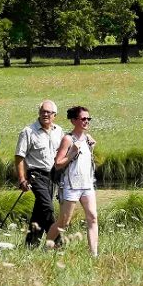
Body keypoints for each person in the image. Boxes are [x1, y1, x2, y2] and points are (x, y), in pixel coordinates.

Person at [45, 106, 98, 256]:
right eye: (83, 119)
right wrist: (72, 153)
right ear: (74, 121)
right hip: (71, 186)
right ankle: (47, 247)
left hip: (87, 185)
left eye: (88, 119)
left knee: (93, 217)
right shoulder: (68, 139)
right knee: (64, 222)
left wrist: (91, 148)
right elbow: (58, 163)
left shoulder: (87, 138)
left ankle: (94, 254)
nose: (86, 121)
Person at [15, 100, 64, 248]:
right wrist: (22, 179)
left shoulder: (58, 131)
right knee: (48, 208)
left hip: (53, 177)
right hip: (36, 176)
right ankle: (57, 243)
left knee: (40, 211)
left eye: (49, 112)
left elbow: (64, 152)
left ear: (55, 115)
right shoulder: (28, 131)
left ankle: (30, 245)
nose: (45, 114)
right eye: (43, 111)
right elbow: (19, 157)